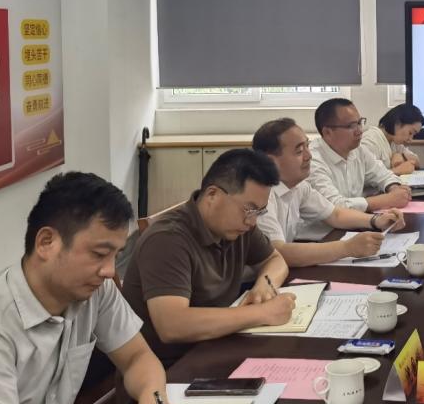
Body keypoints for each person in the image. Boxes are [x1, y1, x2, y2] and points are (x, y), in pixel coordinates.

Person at [0, 172, 188, 404]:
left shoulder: (96, 291)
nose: (110, 271)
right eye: (99, 254)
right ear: (46, 243)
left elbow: (138, 357)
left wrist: (154, 400)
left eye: (116, 255)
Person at [122, 149, 297, 365]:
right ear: (212, 195)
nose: (252, 222)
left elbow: (275, 260)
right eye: (249, 209)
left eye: (259, 212)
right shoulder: (167, 239)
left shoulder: (239, 228)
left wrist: (265, 285)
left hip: (216, 346)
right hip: (170, 367)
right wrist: (262, 313)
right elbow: (172, 325)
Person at [252, 118, 405, 266]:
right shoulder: (259, 194)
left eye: (307, 146)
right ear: (270, 161)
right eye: (299, 151)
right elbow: (278, 252)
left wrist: (376, 220)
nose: (309, 156)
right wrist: (347, 248)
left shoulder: (299, 186)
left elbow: (334, 214)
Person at [306, 99, 412, 231]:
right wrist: (387, 199)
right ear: (328, 132)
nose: (359, 131)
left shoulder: (358, 150)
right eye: (351, 126)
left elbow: (383, 175)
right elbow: (335, 208)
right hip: (323, 236)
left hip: (355, 226)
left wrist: (394, 189)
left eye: (359, 122)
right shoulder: (312, 161)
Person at [361, 103, 424, 176]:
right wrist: (397, 170)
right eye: (410, 133)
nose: (410, 140)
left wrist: (401, 155)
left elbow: (417, 161)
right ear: (397, 123)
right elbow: (363, 177)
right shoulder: (371, 140)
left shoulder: (395, 142)